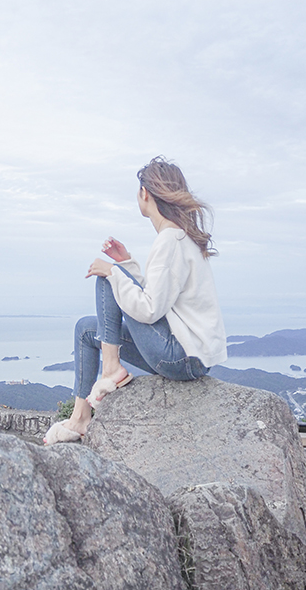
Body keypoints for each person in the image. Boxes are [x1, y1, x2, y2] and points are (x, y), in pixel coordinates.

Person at [44, 156, 227, 445]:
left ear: (145, 193)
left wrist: (114, 273)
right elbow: (159, 297)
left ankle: (111, 370)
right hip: (186, 355)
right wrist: (126, 264)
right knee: (85, 330)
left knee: (108, 276)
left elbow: (149, 309)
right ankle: (80, 417)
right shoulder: (178, 238)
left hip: (181, 357)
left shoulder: (171, 240)